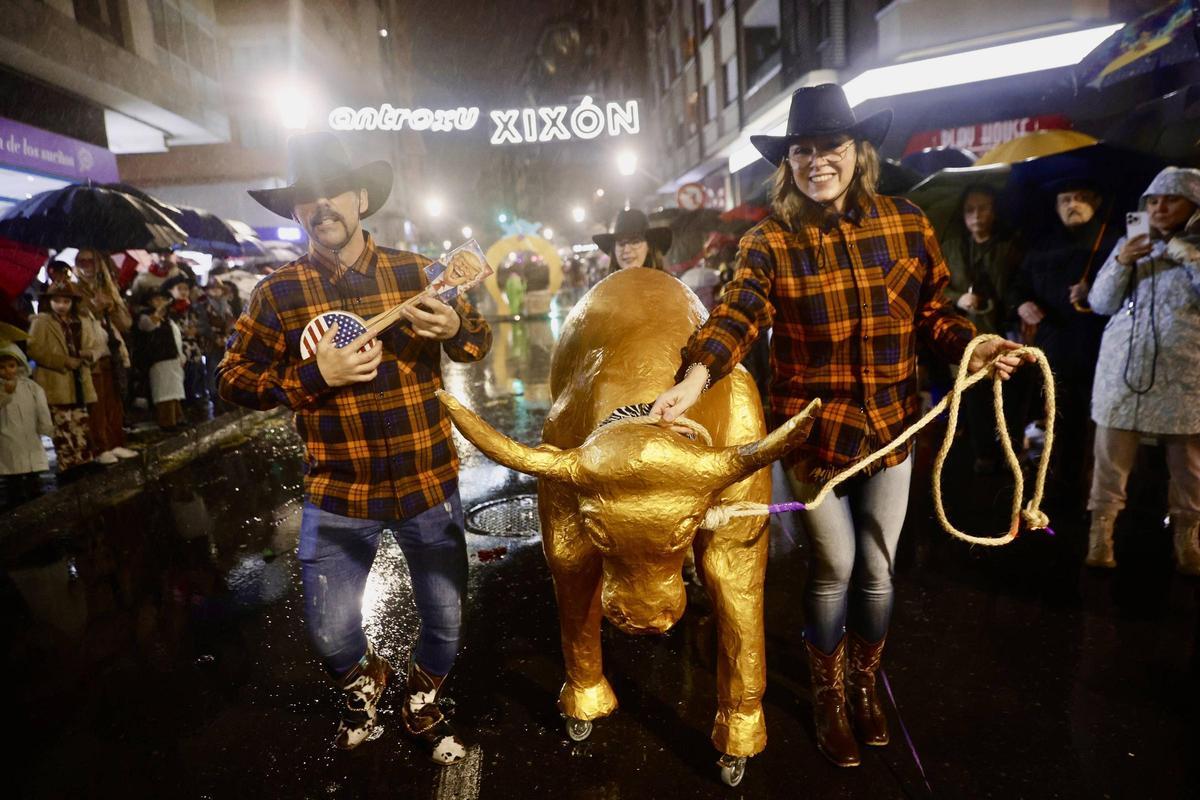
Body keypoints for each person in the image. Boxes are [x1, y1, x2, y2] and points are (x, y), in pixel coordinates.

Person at [649, 84, 1031, 768]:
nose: (817, 161)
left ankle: (863, 687)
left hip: (891, 432)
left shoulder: (906, 224)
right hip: (813, 438)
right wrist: (695, 378)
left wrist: (975, 346)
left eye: (831, 147)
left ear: (858, 153)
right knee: (837, 566)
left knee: (880, 572)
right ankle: (826, 696)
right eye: (803, 151)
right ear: (788, 162)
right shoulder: (769, 239)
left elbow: (934, 315)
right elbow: (737, 316)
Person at [219, 132, 491, 764]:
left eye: (335, 193)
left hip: (427, 483)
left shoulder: (416, 272)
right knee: (329, 631)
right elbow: (231, 378)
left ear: (362, 198)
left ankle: (422, 695)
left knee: (446, 624)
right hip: (338, 490)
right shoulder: (277, 294)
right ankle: (368, 676)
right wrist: (315, 376)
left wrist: (457, 326)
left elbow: (475, 344)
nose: (322, 207)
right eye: (307, 199)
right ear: (294, 213)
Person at [1085, 167, 1200, 574]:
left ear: (1194, 204)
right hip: (1124, 369)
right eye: (1153, 201)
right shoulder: (1130, 244)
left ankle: (1188, 540)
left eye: (1171, 199)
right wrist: (1120, 261)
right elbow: (1100, 303)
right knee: (1109, 460)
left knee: (1188, 466)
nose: (1161, 207)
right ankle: (1101, 535)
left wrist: (1187, 255)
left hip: (1184, 375)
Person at [1010, 177, 1118, 505]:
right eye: (1065, 199)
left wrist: (1095, 293)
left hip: (1095, 350)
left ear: (1096, 202)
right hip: (1051, 347)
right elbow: (1019, 285)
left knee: (1090, 426)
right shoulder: (1042, 244)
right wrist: (1022, 304)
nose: (1072, 205)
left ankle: (1085, 492)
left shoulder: (1111, 244)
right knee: (1056, 419)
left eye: (1080, 197)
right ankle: (1054, 485)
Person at [939, 185, 1027, 473]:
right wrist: (958, 298)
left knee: (1008, 397)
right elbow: (937, 290)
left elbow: (1018, 285)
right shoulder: (952, 247)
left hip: (1003, 333)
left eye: (983, 208)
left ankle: (1009, 456)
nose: (976, 215)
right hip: (966, 336)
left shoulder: (1010, 245)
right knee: (974, 399)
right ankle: (983, 458)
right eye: (970, 210)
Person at [28, 282, 103, 478]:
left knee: (80, 421)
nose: (61, 305)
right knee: (62, 425)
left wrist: (90, 354)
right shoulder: (42, 322)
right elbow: (35, 349)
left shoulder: (81, 321)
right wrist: (63, 361)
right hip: (56, 380)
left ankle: (83, 460)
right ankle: (68, 464)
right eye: (57, 301)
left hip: (79, 378)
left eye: (66, 301)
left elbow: (96, 345)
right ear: (49, 302)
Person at [72, 249, 137, 462]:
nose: (86, 266)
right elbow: (76, 318)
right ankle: (101, 447)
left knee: (114, 399)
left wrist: (111, 306)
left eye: (90, 261)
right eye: (81, 261)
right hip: (92, 350)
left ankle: (116, 441)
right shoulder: (73, 289)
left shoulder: (107, 286)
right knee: (96, 402)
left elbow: (126, 323)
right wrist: (95, 307)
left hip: (112, 349)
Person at [0, 342, 53, 508]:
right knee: (12, 471)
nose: (8, 370)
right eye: (2, 367)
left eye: (11, 366)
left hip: (30, 434)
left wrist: (45, 426)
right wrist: (5, 395)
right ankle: (15, 503)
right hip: (8, 434)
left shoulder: (31, 387)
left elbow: (41, 407)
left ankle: (36, 497)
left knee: (32, 470)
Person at [135, 287, 185, 431]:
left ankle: (177, 417)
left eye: (162, 299)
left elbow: (177, 338)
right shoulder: (145, 316)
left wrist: (180, 355)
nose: (160, 302)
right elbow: (148, 326)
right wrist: (157, 314)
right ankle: (167, 421)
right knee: (164, 393)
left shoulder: (169, 319)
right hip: (158, 359)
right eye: (156, 299)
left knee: (175, 391)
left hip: (173, 358)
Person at [163, 275, 209, 412]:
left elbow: (203, 325)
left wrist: (197, 330)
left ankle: (194, 400)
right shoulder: (168, 310)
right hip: (178, 348)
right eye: (179, 288)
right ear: (171, 290)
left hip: (194, 348)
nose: (183, 292)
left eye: (186, 289)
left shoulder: (193, 308)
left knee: (194, 375)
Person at [195, 277, 236, 415]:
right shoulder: (204, 306)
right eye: (213, 289)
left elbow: (231, 322)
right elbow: (203, 326)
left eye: (218, 289)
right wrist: (215, 338)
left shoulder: (226, 305)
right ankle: (216, 401)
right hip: (211, 344)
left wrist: (227, 336)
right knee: (213, 371)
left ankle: (228, 400)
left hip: (226, 343)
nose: (216, 292)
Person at [593, 208, 673, 273]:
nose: (627, 250)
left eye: (635, 242)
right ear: (614, 250)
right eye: (621, 244)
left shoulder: (671, 288)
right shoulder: (605, 290)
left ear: (649, 246)